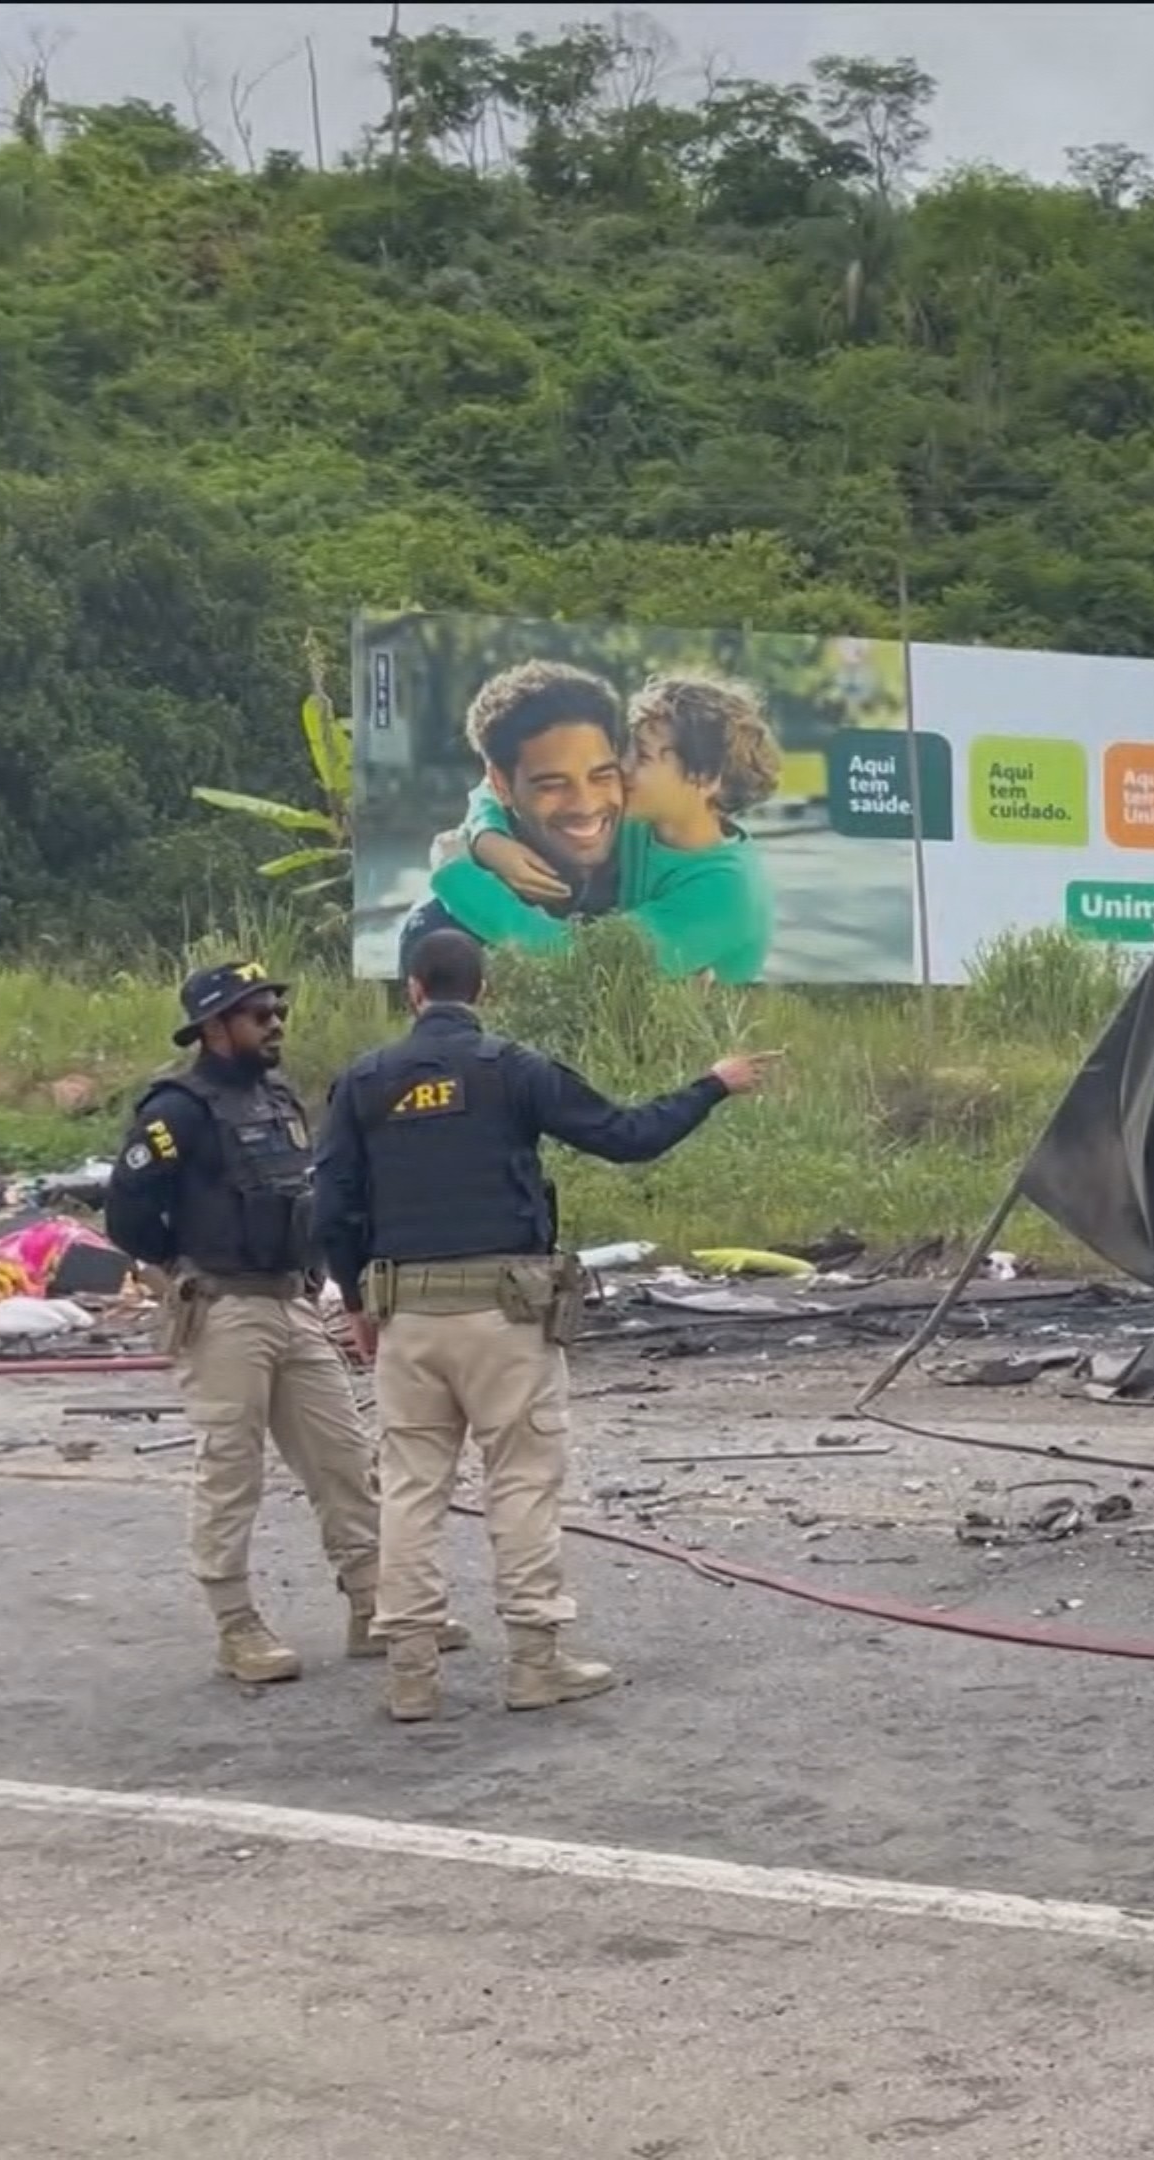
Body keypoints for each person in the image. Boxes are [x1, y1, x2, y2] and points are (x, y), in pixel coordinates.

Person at [308, 929, 773, 1723]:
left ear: (413, 991)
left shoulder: (364, 1082)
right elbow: (628, 1137)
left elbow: (332, 1204)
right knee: (520, 1483)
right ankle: (533, 1664)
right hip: (505, 1316)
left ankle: (412, 1674)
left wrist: (356, 1304)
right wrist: (712, 1085)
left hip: (407, 1314)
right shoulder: (513, 1071)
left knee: (413, 1489)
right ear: (481, 991)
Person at [104, 961, 456, 1684]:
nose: (275, 1025)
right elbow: (129, 1210)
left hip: (290, 1300)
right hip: (224, 1305)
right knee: (231, 1470)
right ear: (214, 1027)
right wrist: (178, 1266)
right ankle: (237, 1626)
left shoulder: (276, 1096)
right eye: (257, 1014)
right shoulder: (177, 1110)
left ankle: (373, 1606)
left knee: (344, 1459)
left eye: (275, 1011)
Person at [435, 669, 783, 984]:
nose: (621, 767)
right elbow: (497, 785)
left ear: (706, 778)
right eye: (628, 749)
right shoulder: (646, 823)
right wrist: (487, 835)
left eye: (642, 756)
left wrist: (456, 876)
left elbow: (582, 960)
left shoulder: (725, 893)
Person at [390, 659, 635, 980]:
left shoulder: (658, 865)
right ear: (502, 785)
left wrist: (483, 832)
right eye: (552, 785)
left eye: (602, 776)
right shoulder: (444, 932)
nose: (585, 805)